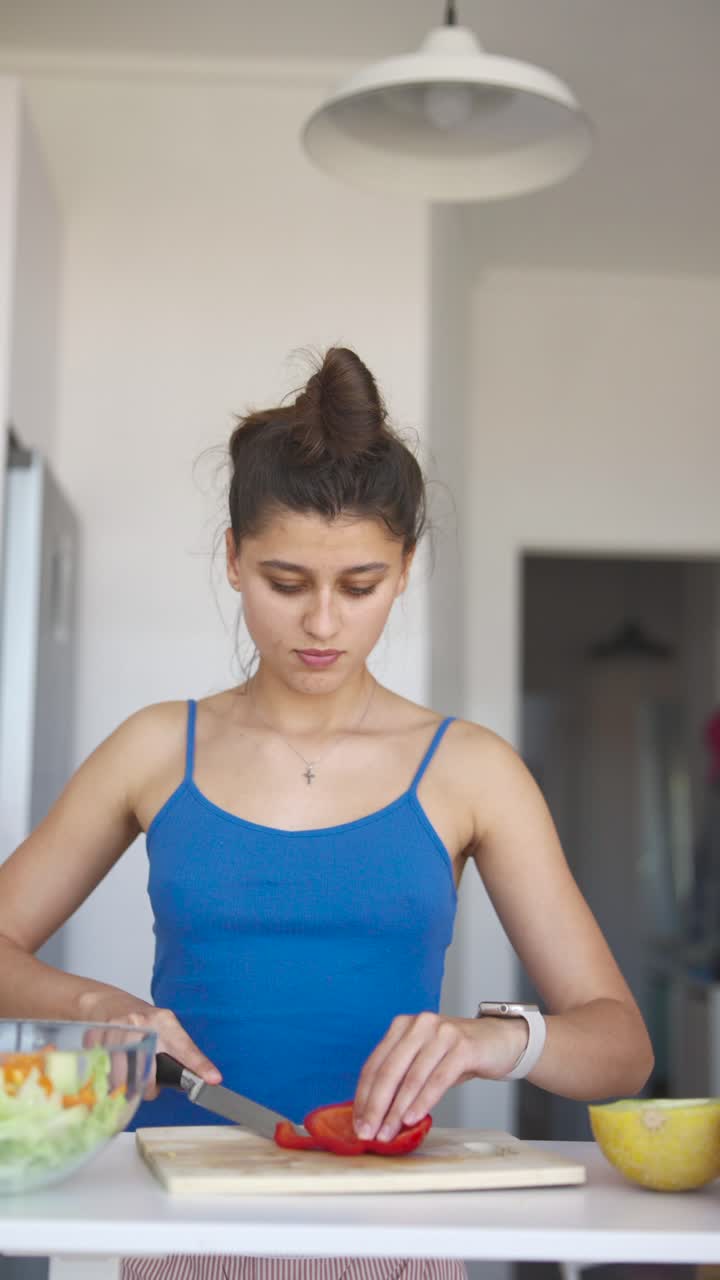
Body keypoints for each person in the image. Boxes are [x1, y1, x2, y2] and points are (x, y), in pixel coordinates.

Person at [0, 347, 653, 1280]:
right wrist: (97, 1007)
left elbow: (621, 1049)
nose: (321, 625)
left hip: (396, 1240)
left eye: (360, 586)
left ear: (405, 569)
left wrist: (493, 1039)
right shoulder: (154, 749)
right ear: (231, 559)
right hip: (182, 1227)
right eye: (285, 582)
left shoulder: (470, 771)